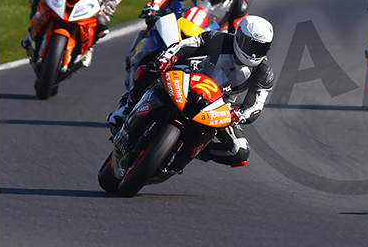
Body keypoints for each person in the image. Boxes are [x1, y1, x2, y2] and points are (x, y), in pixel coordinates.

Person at [108, 15, 275, 168]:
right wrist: (167, 58)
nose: (253, 53)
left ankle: (190, 150)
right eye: (251, 45)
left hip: (219, 105)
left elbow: (256, 104)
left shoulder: (264, 72)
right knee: (149, 70)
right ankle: (126, 110)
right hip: (190, 78)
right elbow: (185, 45)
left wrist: (240, 115)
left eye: (260, 48)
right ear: (239, 36)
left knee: (240, 152)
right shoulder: (217, 38)